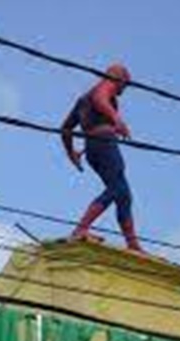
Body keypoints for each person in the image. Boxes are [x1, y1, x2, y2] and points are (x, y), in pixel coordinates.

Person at [60, 63, 143, 253]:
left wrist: (71, 152)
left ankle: (132, 244)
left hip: (93, 149)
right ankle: (81, 229)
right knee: (117, 188)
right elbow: (100, 98)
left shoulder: (83, 99)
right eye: (126, 84)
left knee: (123, 194)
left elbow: (65, 128)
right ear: (118, 78)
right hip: (104, 144)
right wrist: (117, 118)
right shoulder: (104, 87)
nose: (124, 89)